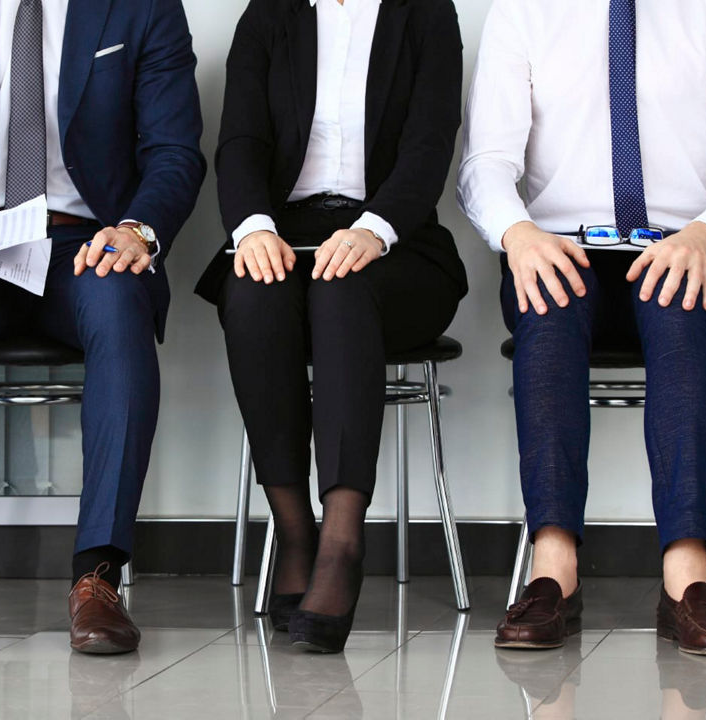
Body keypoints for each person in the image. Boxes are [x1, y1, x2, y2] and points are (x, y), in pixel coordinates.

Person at [0, 0, 205, 656]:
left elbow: (174, 152)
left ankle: (98, 577)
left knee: (119, 302)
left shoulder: (142, 8)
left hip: (84, 241)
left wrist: (135, 230)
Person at [458, 0, 706, 655]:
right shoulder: (523, 11)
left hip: (679, 245)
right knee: (548, 318)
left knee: (677, 316)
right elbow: (485, 161)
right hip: (557, 244)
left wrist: (704, 235)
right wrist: (518, 235)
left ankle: (686, 578)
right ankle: (552, 570)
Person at [196, 0, 467, 653]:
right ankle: (295, 531)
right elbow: (240, 143)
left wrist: (374, 230)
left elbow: (431, 143)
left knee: (342, 287)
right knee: (255, 295)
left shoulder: (426, 12)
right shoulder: (269, 15)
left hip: (398, 246)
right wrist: (254, 229)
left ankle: (342, 540)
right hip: (286, 237)